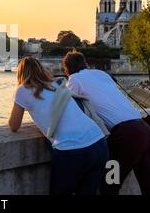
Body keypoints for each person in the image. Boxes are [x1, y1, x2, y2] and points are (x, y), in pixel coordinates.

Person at [62, 50, 150, 195]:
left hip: (125, 138)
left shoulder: (74, 80)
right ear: (86, 64)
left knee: (109, 186)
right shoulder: (101, 74)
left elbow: (69, 107)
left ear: (67, 70)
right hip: (146, 131)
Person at [9, 57, 109, 195]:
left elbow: (14, 125)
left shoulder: (22, 90)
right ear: (40, 69)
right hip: (99, 143)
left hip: (72, 150)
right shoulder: (56, 84)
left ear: (21, 74)